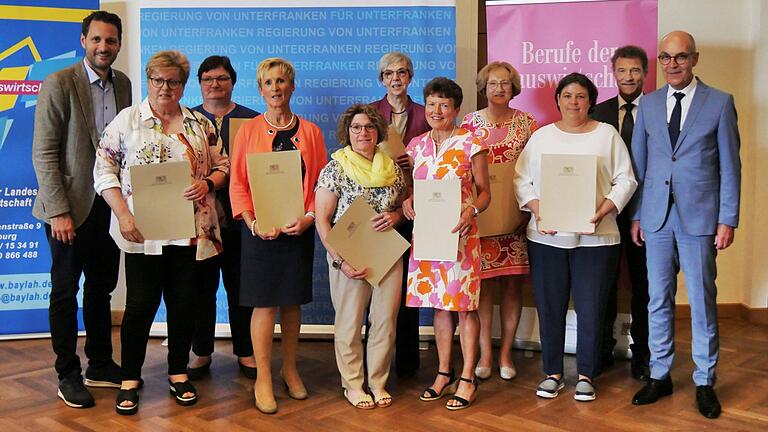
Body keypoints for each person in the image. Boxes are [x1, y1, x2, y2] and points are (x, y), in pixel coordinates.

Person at [94, 50, 229, 415]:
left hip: (190, 232)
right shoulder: (126, 122)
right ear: (148, 80)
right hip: (142, 231)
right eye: (158, 80)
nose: (165, 87)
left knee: (184, 303)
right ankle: (130, 379)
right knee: (139, 306)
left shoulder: (200, 124)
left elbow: (223, 165)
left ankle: (177, 372)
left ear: (183, 86)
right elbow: (104, 172)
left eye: (173, 81)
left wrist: (208, 183)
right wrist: (122, 215)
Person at [629, 31, 741, 419]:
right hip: (656, 217)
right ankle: (660, 375)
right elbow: (640, 167)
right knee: (657, 298)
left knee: (701, 301)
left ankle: (705, 381)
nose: (672, 64)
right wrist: (639, 214)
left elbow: (731, 166)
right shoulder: (649, 104)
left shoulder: (720, 103)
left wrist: (727, 219)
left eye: (680, 57)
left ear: (695, 58)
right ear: (658, 61)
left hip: (701, 218)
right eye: (665, 57)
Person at [514, 73, 637, 402]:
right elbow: (521, 180)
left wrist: (605, 209)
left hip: (597, 238)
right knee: (550, 305)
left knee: (592, 306)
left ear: (591, 101)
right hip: (547, 236)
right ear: (557, 100)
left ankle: (586, 373)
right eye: (567, 95)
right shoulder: (541, 137)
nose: (573, 102)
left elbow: (626, 180)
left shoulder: (607, 135)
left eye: (581, 96)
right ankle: (552, 372)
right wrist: (540, 210)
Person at [31, 11, 131, 409]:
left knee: (102, 289)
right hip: (69, 209)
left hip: (110, 206)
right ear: (83, 40)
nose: (103, 47)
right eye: (96, 40)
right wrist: (58, 211)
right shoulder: (59, 83)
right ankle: (67, 374)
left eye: (110, 41)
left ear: (119, 44)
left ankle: (101, 364)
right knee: (64, 291)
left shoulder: (122, 84)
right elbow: (44, 152)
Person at [229, 57, 327, 414]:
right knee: (264, 303)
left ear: (292, 86)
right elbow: (238, 184)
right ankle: (264, 378)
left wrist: (309, 218)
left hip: (297, 229)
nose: (276, 88)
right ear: (260, 89)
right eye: (269, 83)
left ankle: (290, 368)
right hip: (260, 232)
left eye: (282, 81)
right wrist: (252, 222)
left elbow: (319, 183)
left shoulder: (312, 133)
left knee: (291, 302)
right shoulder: (248, 131)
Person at [403, 77, 491, 410]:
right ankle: (443, 372)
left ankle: (468, 377)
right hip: (427, 237)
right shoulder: (415, 146)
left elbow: (485, 192)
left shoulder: (472, 143)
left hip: (462, 237)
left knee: (464, 307)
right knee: (439, 306)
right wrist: (407, 201)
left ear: (455, 109)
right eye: (431, 104)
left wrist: (472, 208)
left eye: (444, 105)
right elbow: (410, 188)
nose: (437, 110)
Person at [316, 104, 407, 409]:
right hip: (348, 257)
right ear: (347, 132)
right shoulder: (335, 168)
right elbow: (322, 220)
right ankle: (353, 385)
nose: (363, 132)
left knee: (385, 322)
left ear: (378, 131)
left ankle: (378, 382)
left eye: (369, 127)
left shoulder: (392, 169)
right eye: (356, 127)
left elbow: (402, 210)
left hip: (387, 253)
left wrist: (396, 217)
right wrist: (340, 261)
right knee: (349, 323)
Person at [461, 61, 537, 381]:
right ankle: (485, 354)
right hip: (480, 219)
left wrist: (528, 211)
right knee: (484, 289)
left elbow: (535, 172)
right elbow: (462, 172)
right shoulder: (469, 124)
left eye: (505, 83)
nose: (500, 88)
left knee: (512, 288)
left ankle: (506, 352)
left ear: (514, 87)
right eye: (493, 83)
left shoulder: (528, 124)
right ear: (484, 87)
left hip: (516, 219)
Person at [188, 55, 259, 380]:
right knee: (201, 288)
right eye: (208, 79)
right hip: (201, 222)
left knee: (241, 286)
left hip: (243, 220)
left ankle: (245, 351)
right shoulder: (186, 120)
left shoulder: (253, 120)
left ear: (233, 82)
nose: (215, 84)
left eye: (222, 78)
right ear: (200, 83)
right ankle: (201, 351)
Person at [591, 45, 651, 381]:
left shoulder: (656, 109)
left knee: (644, 285)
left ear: (644, 73)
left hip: (646, 212)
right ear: (613, 73)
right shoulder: (598, 111)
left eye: (635, 71)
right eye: (622, 71)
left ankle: (642, 355)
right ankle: (602, 349)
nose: (628, 77)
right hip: (605, 211)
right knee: (604, 283)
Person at [369, 52, 430, 378]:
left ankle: (407, 364)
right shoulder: (369, 115)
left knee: (406, 288)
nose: (396, 78)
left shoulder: (425, 113)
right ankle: (373, 363)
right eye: (389, 74)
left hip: (416, 212)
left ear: (410, 77)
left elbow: (441, 155)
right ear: (382, 79)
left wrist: (414, 163)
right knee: (374, 288)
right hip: (377, 214)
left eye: (402, 73)